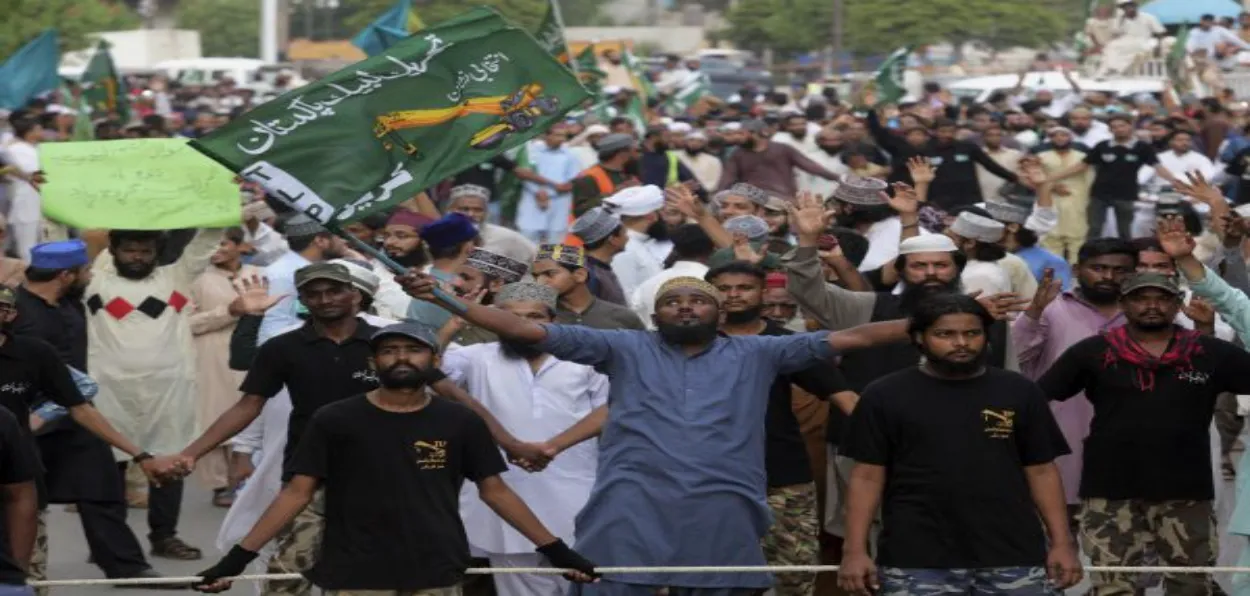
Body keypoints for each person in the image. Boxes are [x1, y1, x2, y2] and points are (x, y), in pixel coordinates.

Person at [398, 269, 911, 596]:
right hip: (631, 501)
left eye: (698, 300)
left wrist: (935, 321)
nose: (686, 307)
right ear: (656, 313)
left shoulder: (762, 351)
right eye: (674, 301)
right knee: (609, 586)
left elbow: (859, 335)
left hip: (723, 503)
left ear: (720, 311)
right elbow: (524, 330)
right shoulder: (624, 346)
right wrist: (451, 302)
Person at [192, 322, 598, 594]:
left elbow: (496, 492)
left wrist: (558, 551)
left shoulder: (459, 421)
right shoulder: (336, 419)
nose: (401, 358)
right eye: (389, 351)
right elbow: (296, 494)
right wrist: (236, 559)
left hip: (435, 569)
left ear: (435, 362)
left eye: (413, 350)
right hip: (355, 572)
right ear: (374, 363)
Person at [837, 293, 1081, 596]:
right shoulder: (884, 395)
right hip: (916, 560)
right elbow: (866, 476)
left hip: (1013, 556)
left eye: (972, 333)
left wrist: (1062, 542)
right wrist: (854, 551)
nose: (961, 343)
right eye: (945, 334)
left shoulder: (1019, 391)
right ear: (919, 338)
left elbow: (1042, 471)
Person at [1037, 271, 1250, 595]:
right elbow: (1036, 398)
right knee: (1113, 586)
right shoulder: (1093, 352)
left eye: (1163, 298)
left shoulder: (1209, 352)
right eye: (1140, 298)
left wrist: (1207, 328)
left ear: (1178, 304)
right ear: (1124, 304)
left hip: (1187, 491)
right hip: (1109, 490)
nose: (1152, 306)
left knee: (1192, 586)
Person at [442, 282, 609, 596]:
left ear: (553, 322)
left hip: (577, 492)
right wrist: (455, 321)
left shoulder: (585, 357)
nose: (522, 324)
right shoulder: (476, 356)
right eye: (510, 317)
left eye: (534, 316)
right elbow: (428, 370)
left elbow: (610, 408)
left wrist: (554, 446)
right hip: (504, 498)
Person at [707, 262, 857, 596]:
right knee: (709, 575)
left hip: (782, 475)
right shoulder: (691, 343)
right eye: (724, 288)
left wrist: (892, 441)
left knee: (793, 574)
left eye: (743, 287)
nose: (733, 295)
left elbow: (844, 397)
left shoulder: (786, 343)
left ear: (763, 293)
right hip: (707, 477)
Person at [86, 228, 223, 559]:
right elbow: (52, 250)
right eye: (130, 250)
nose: (137, 257)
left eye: (145, 251)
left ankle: (164, 537)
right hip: (110, 390)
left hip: (169, 388)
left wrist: (223, 204)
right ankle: (109, 542)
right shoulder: (92, 281)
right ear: (114, 250)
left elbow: (205, 242)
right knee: (109, 467)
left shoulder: (176, 277)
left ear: (156, 252)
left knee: (170, 462)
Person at [531, 244, 644, 331]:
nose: (540, 282)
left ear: (580, 275)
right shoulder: (536, 317)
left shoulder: (623, 317)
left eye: (549, 274)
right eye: (536, 276)